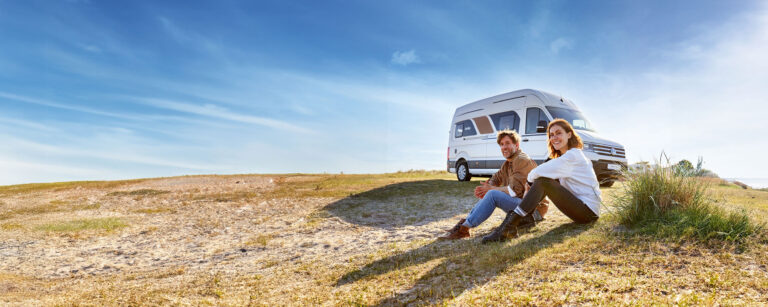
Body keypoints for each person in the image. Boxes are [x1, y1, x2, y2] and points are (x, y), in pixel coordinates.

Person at [482, 119, 602, 243]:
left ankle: (509, 226)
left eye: (558, 133)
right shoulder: (568, 157)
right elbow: (543, 171)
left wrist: (528, 184)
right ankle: (523, 219)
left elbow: (535, 172)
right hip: (584, 210)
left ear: (569, 134)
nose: (554, 137)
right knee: (544, 180)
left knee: (543, 182)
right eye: (551, 135)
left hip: (588, 212)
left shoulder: (572, 155)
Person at [440, 129, 549, 240]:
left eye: (507, 143)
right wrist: (488, 186)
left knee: (492, 194)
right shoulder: (508, 163)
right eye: (501, 144)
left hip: (534, 211)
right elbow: (496, 177)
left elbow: (514, 191)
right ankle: (464, 224)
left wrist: (491, 189)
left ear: (516, 145)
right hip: (522, 205)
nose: (504, 147)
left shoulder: (521, 160)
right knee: (490, 193)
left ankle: (464, 229)